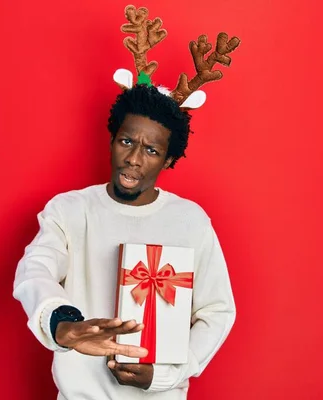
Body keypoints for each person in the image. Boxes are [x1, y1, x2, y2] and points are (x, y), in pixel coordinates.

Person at [12, 83, 236, 399]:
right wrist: (63, 325)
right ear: (112, 140)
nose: (133, 159)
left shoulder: (191, 221)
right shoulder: (69, 210)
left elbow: (217, 311)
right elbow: (35, 269)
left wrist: (164, 376)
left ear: (169, 160)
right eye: (126, 141)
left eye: (151, 150)